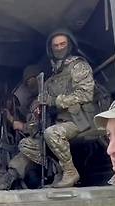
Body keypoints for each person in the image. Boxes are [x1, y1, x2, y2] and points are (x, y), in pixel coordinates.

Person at [42, 29, 95, 188]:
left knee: (51, 133)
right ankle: (59, 172)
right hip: (64, 120)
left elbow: (85, 94)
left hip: (81, 120)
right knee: (37, 139)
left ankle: (70, 172)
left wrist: (55, 101)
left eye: (62, 44)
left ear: (69, 45)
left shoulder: (78, 65)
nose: (59, 48)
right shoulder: (53, 76)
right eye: (55, 45)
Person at [0, 65, 45, 190]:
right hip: (42, 136)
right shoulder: (34, 101)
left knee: (27, 144)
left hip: (48, 136)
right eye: (27, 82)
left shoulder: (45, 99)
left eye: (32, 80)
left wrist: (22, 126)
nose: (30, 84)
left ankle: (9, 178)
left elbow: (40, 126)